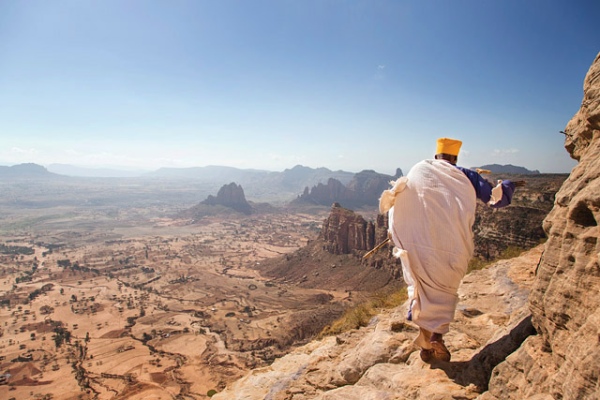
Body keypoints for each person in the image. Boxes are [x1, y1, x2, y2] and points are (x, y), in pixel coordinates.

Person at [378, 137, 525, 363]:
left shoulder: (420, 168)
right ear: (454, 157)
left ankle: (427, 346)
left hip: (418, 245)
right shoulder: (467, 175)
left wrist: (400, 231)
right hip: (451, 247)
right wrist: (508, 185)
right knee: (444, 292)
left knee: (421, 289)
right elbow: (496, 199)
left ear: (437, 156)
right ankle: (435, 337)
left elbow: (401, 196)